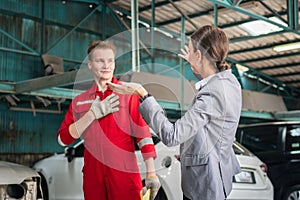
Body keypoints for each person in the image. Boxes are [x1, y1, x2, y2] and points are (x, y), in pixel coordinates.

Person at [108, 25, 242, 200]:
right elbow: (211, 129)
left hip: (205, 183)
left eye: (192, 50)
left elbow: (172, 136)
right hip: (218, 175)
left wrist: (142, 93)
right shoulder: (230, 83)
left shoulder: (211, 93)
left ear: (200, 55)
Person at [57, 40, 160, 200]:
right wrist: (90, 115)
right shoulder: (80, 101)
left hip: (124, 176)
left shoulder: (127, 95)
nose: (106, 66)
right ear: (90, 64)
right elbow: (63, 139)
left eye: (110, 60)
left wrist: (151, 173)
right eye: (100, 61)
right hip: (93, 177)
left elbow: (143, 135)